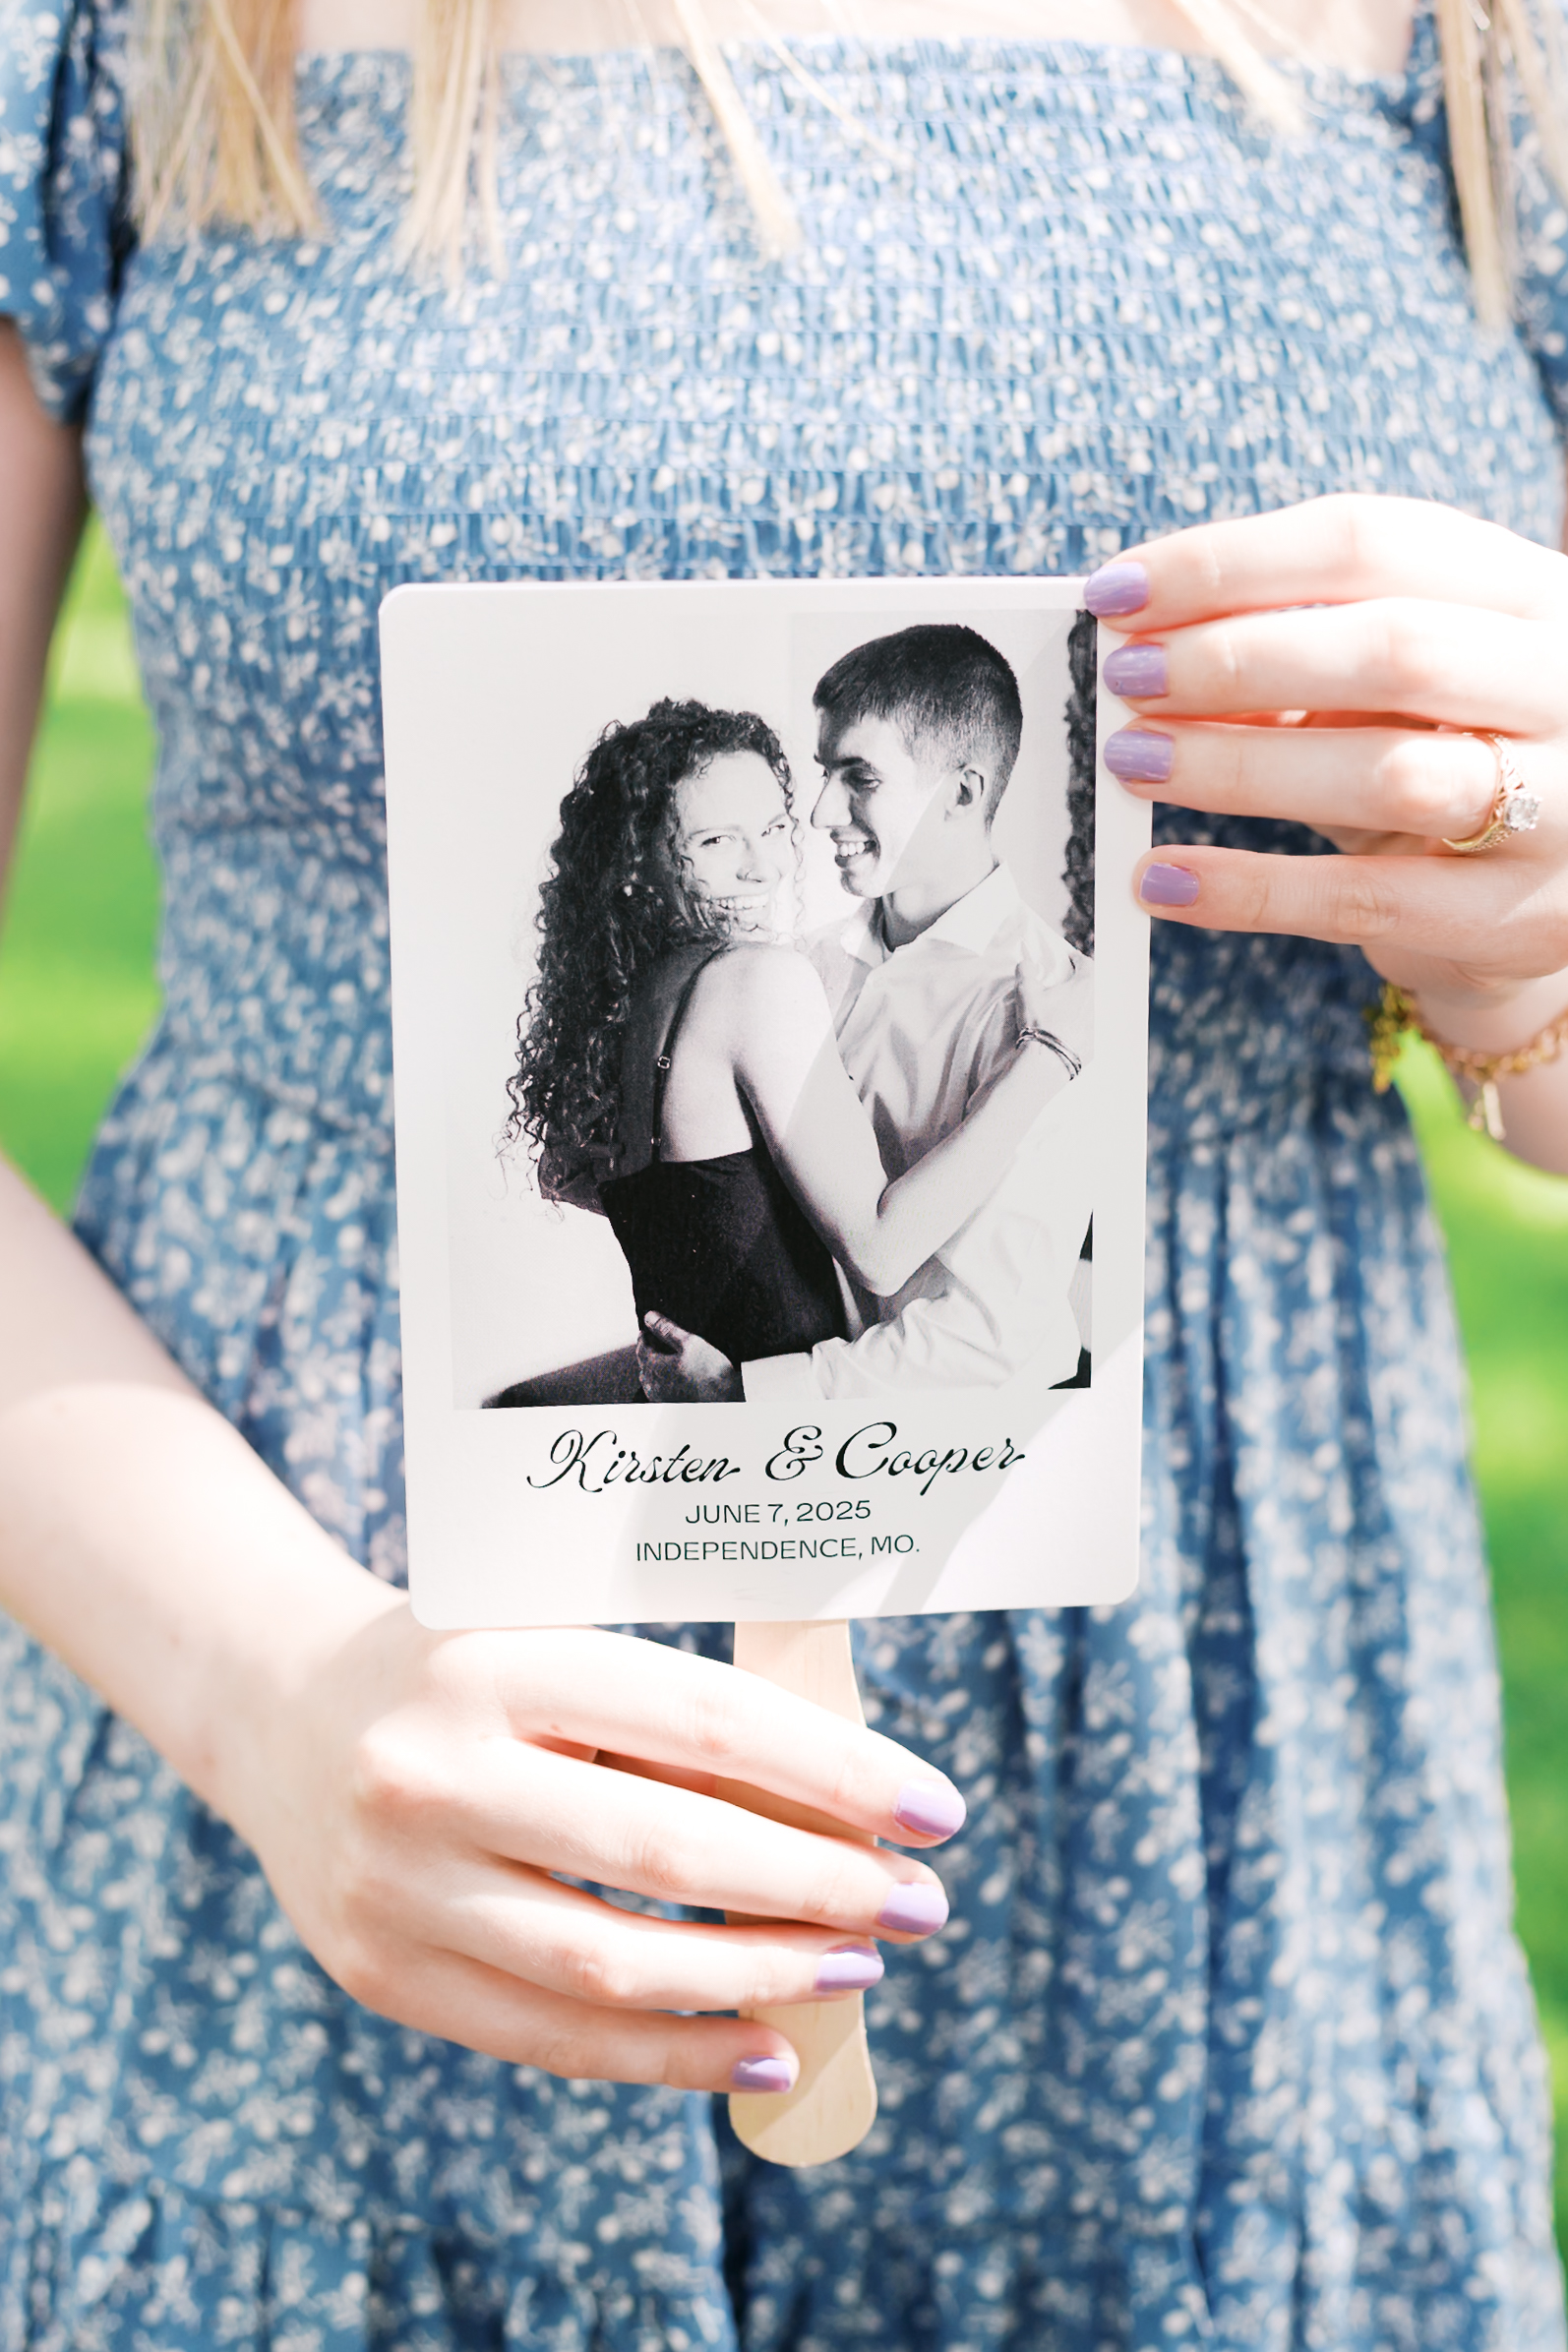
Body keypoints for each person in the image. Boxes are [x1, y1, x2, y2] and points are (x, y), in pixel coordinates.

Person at [2, 2, 1567, 2347]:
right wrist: (267, 1694)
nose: (808, 858)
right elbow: (856, 1252)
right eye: (766, 823)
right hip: (325, 1751)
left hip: (1216, 1830)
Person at [510, 693, 1080, 1382]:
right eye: (716, 841)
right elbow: (878, 1249)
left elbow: (568, 1175)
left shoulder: (624, 998)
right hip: (791, 1424)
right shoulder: (762, 980)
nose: (767, 867)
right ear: (637, 863)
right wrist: (1050, 1057)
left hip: (730, 1404)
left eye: (774, 827)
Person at [637, 622, 1097, 1407]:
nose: (819, 813)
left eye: (860, 777)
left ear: (961, 792)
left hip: (968, 1430)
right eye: (824, 773)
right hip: (801, 1395)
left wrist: (750, 1393)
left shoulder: (1060, 1009)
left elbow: (988, 1341)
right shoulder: (796, 969)